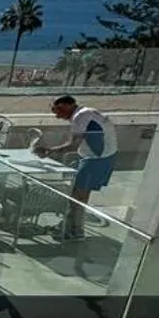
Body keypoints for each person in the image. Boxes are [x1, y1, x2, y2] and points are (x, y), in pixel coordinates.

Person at [38, 94, 117, 238]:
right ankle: (70, 227)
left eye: (59, 111)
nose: (58, 116)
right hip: (101, 157)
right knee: (79, 195)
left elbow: (72, 145)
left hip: (96, 159)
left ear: (68, 106)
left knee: (77, 197)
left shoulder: (80, 117)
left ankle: (73, 230)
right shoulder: (87, 112)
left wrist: (49, 151)